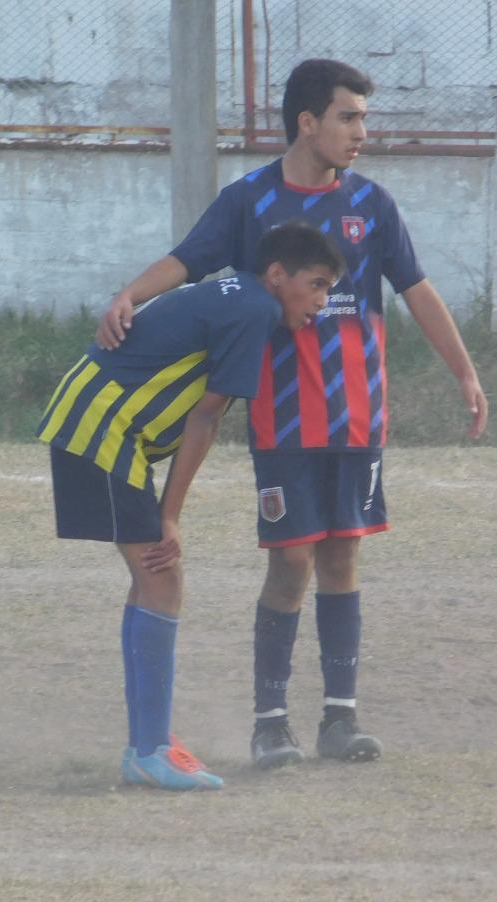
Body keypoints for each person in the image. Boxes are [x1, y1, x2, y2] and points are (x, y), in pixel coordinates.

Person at [96, 59, 489, 771]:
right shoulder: (249, 201)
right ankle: (270, 723)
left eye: (363, 118)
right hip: (283, 420)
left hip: (358, 418)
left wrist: (464, 370)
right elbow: (188, 259)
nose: (361, 132)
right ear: (307, 122)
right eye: (348, 117)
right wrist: (131, 294)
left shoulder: (372, 204)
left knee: (342, 555)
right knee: (292, 560)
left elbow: (416, 288)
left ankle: (341, 717)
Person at [40, 221, 344, 791]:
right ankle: (149, 750)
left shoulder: (239, 294)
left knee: (152, 580)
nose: (323, 302)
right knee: (162, 576)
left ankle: (147, 743)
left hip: (98, 417)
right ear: (277, 275)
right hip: (102, 425)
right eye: (317, 285)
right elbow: (204, 417)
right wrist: (170, 516)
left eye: (329, 289)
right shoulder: (255, 310)